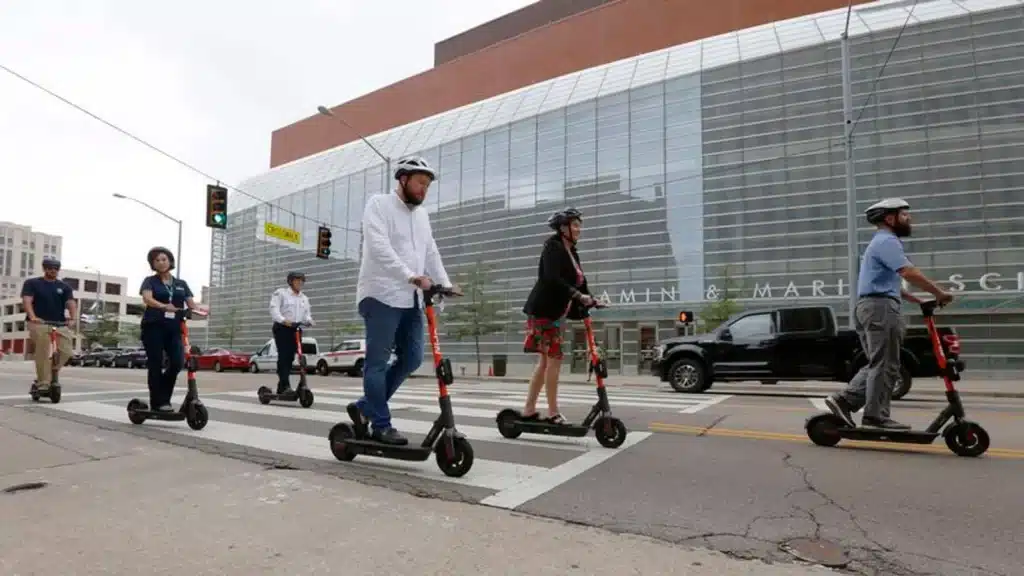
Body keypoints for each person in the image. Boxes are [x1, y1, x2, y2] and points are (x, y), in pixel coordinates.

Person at [349, 155, 458, 446]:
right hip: (380, 294)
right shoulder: (378, 204)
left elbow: (430, 252)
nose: (424, 189)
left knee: (411, 358)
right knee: (377, 362)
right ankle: (380, 425)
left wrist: (445, 283)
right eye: (420, 182)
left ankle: (365, 407)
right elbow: (378, 246)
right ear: (403, 179)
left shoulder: (422, 216)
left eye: (427, 185)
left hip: (411, 299)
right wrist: (410, 275)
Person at [824, 198, 953, 430]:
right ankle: (874, 416)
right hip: (880, 308)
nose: (909, 218)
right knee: (885, 364)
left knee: (880, 363)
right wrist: (939, 292)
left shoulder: (880, 243)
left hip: (873, 306)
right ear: (889, 218)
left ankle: (844, 401)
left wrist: (918, 300)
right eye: (904, 215)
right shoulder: (887, 241)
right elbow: (908, 272)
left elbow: (889, 283)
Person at [521, 207, 596, 424]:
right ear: (563, 228)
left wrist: (591, 299)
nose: (578, 229)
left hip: (556, 313)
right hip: (543, 310)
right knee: (553, 359)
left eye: (579, 225)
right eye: (574, 225)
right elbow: (551, 278)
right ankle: (553, 412)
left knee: (546, 361)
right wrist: (577, 295)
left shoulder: (572, 252)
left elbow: (580, 281)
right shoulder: (552, 247)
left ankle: (528, 409)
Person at [139, 247, 198, 412]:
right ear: (153, 264)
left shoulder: (181, 284)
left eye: (164, 259)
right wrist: (164, 306)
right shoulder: (150, 281)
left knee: (177, 362)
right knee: (155, 364)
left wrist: (201, 311)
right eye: (156, 260)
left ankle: (162, 394)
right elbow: (147, 298)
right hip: (153, 327)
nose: (160, 262)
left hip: (174, 328)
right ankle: (159, 403)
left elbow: (191, 304)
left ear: (170, 261)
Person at [21, 258, 76, 390]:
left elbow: (71, 303)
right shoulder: (32, 283)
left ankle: (51, 373)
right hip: (39, 323)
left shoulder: (64, 287)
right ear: (44, 269)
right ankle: (43, 382)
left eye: (56, 268)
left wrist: (72, 318)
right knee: (44, 350)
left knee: (66, 352)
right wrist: (33, 316)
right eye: (50, 268)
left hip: (59, 323)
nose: (53, 271)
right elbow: (27, 300)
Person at [269, 272, 315, 395]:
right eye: (297, 280)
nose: (300, 283)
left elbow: (306, 315)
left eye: (302, 281)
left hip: (297, 329)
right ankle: (285, 385)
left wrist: (309, 321)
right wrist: (284, 320)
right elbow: (274, 310)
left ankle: (282, 385)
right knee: (284, 356)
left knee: (292, 357)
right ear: (290, 282)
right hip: (282, 328)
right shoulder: (281, 293)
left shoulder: (304, 298)